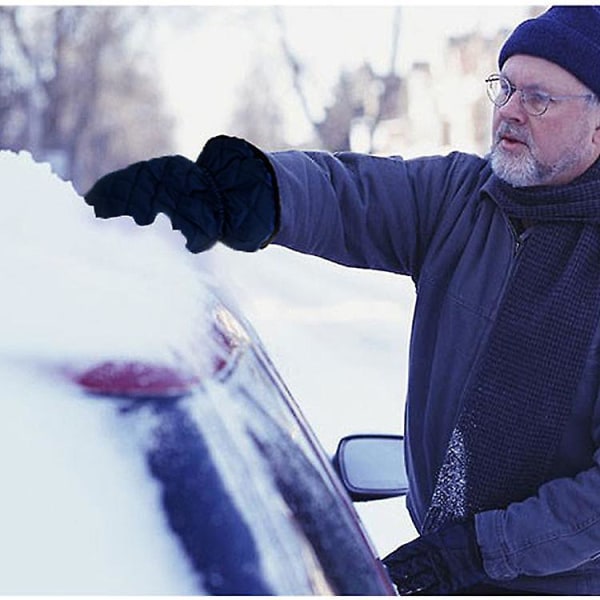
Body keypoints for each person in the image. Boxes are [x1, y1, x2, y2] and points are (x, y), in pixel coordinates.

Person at [84, 6, 600, 595]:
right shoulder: (462, 198)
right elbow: (348, 194)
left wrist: (479, 552)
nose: (507, 109)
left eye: (538, 98)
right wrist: (233, 194)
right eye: (504, 87)